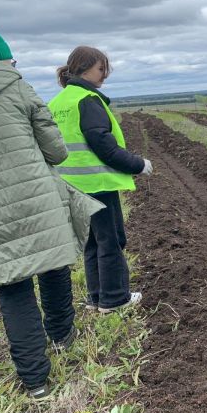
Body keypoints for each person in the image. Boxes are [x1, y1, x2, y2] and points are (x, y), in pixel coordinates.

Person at [0, 20, 103, 399]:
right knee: (52, 266)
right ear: (4, 59)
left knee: (14, 287)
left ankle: (35, 380)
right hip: (37, 198)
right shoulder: (21, 90)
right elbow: (56, 151)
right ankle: (62, 337)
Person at [49, 46, 153, 314]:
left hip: (71, 186)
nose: (104, 74)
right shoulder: (87, 100)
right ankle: (114, 299)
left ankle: (96, 298)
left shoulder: (58, 102)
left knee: (92, 242)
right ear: (85, 69)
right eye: (100, 68)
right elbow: (103, 145)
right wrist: (138, 164)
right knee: (111, 240)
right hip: (96, 184)